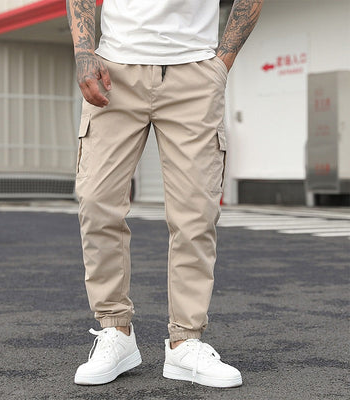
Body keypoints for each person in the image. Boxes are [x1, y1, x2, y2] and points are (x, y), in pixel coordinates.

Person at [67, 0, 263, 388]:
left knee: (196, 213)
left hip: (194, 71)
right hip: (114, 67)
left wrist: (220, 65)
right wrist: (84, 51)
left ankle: (185, 341)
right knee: (96, 201)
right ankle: (115, 331)